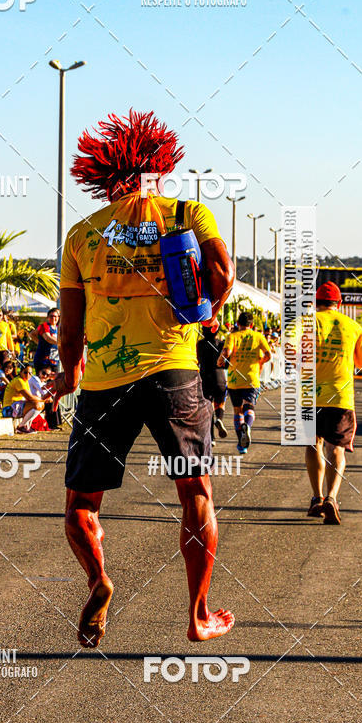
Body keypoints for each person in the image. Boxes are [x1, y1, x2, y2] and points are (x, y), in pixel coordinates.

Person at [53, 109, 235, 648]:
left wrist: (68, 373)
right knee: (195, 490)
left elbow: (70, 327)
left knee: (81, 504)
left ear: (101, 175)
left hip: (104, 382)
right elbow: (222, 274)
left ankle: (99, 580)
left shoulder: (82, 234)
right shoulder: (187, 213)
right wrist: (203, 310)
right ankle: (198, 616)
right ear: (161, 165)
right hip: (173, 372)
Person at [305, 282, 362, 524]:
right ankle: (332, 498)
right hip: (340, 396)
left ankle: (316, 497)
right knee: (336, 448)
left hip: (309, 395)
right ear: (339, 303)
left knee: (313, 444)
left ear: (316, 302)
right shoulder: (353, 326)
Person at [217, 310, 271, 454]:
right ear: (251, 325)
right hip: (251, 378)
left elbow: (226, 353)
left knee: (237, 410)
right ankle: (247, 425)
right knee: (249, 405)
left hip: (234, 379)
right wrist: (260, 362)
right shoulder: (258, 336)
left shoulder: (232, 336)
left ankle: (242, 445)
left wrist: (220, 361)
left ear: (238, 323)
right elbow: (268, 354)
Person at [197, 324, 228, 444]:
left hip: (205, 377)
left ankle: (211, 438)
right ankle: (219, 419)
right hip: (219, 376)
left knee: (207, 408)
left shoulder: (200, 344)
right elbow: (226, 361)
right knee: (220, 402)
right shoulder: (221, 344)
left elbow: (197, 360)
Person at [2, 362, 44, 430]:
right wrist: (42, 399)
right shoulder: (19, 381)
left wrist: (41, 400)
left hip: (15, 407)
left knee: (41, 405)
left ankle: (27, 426)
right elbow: (29, 397)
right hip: (8, 409)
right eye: (25, 372)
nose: (28, 375)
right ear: (20, 372)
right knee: (37, 405)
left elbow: (30, 398)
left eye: (30, 373)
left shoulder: (25, 381)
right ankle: (21, 426)